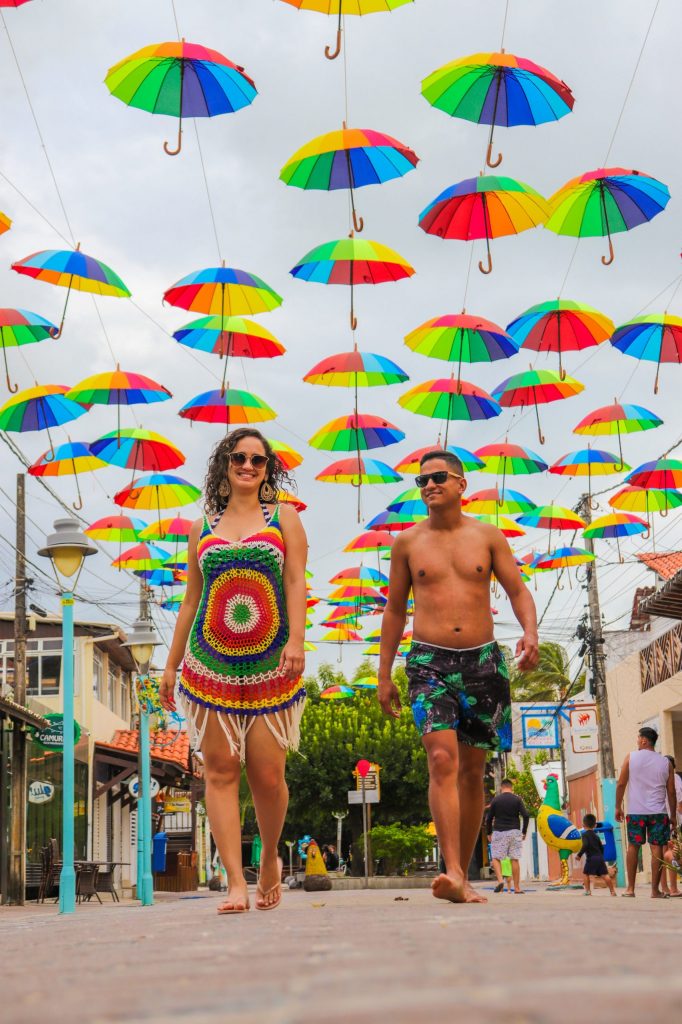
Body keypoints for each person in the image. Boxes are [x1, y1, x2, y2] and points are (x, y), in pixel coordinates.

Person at [378, 450, 539, 905]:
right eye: (422, 480)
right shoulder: (407, 544)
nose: (430, 485)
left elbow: (517, 589)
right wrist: (384, 672)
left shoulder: (487, 537)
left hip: (484, 662)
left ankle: (464, 877)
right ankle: (452, 871)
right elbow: (394, 609)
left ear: (461, 483)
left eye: (439, 477)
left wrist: (530, 632)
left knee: (473, 773)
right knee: (442, 760)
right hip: (429, 662)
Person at [159, 428, 308, 914]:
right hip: (210, 664)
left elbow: (294, 582)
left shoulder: (284, 517)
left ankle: (268, 861)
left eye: (258, 460)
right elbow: (191, 600)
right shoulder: (200, 525)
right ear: (224, 464)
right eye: (239, 457)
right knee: (220, 772)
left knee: (268, 775)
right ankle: (234, 884)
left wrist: (297, 642)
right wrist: (171, 663)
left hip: (272, 665)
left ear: (268, 470)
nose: (248, 465)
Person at [615, 726, 678, 898]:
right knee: (657, 847)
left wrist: (617, 806)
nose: (637, 741)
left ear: (644, 740)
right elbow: (671, 792)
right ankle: (654, 891)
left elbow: (621, 784)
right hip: (659, 812)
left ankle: (630, 889)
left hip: (636, 811)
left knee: (633, 846)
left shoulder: (631, 758)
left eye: (638, 738)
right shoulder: (665, 762)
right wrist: (673, 816)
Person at [486, 778, 530, 894]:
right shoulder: (517, 800)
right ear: (511, 787)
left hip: (499, 831)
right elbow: (525, 815)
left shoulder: (496, 800)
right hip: (514, 831)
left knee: (495, 857)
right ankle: (517, 888)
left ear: (501, 787)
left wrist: (488, 832)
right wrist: (524, 831)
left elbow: (489, 818)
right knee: (514, 859)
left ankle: (500, 880)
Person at [577, 813, 616, 896]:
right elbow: (601, 847)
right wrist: (601, 857)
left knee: (585, 874)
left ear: (583, 825)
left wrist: (579, 855)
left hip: (591, 858)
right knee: (605, 875)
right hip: (600, 857)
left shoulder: (584, 835)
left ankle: (587, 891)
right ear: (594, 825)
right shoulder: (596, 836)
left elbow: (585, 845)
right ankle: (612, 891)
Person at [660, 756, 682, 897]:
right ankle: (673, 888)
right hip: (674, 822)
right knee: (674, 853)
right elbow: (679, 801)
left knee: (663, 854)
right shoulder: (675, 778)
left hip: (660, 820)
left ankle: (666, 888)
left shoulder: (658, 778)